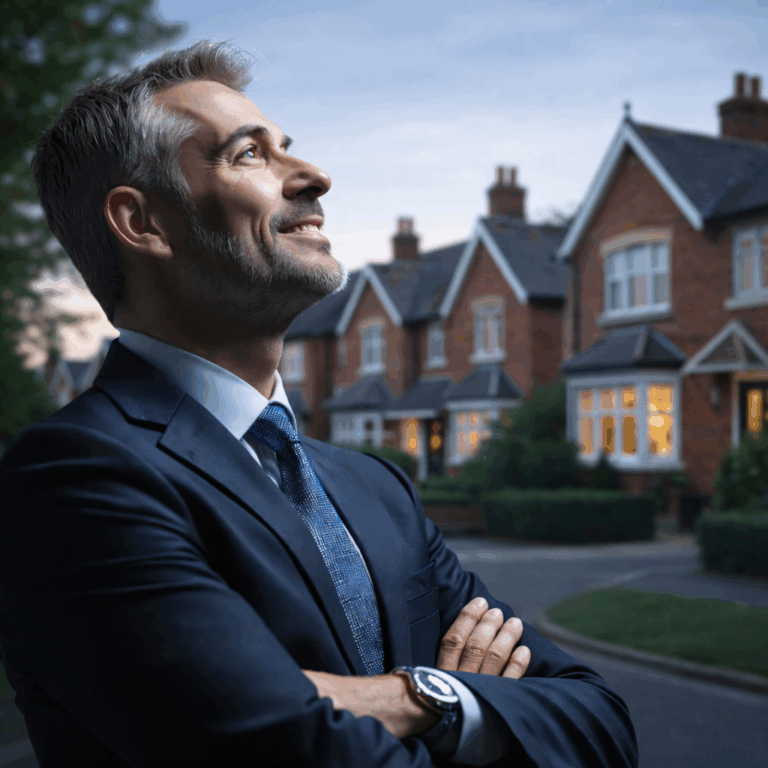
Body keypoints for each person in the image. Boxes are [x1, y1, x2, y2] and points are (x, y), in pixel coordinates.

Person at [0, 40, 638, 767]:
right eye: (248, 154)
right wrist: (468, 704)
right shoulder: (75, 476)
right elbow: (289, 751)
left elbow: (599, 720)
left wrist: (413, 695)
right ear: (142, 223)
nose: (315, 176)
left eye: (289, 149)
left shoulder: (377, 488)